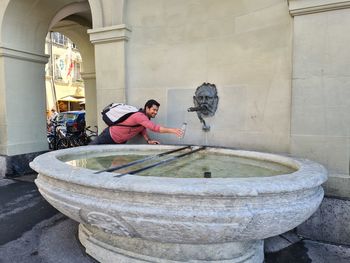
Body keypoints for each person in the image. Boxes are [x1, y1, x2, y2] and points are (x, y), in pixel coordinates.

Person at [90, 99, 183, 145]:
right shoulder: (140, 116)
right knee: (89, 152)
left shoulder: (145, 118)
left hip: (120, 141)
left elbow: (142, 129)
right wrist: (174, 130)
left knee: (110, 164)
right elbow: (154, 128)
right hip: (108, 136)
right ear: (147, 108)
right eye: (153, 109)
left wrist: (148, 140)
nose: (155, 112)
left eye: (156, 110)